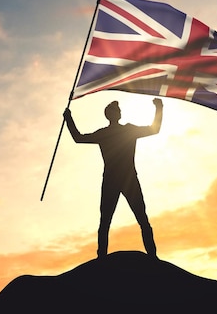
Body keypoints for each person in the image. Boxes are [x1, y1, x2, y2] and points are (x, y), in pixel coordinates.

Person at [63, 98, 163, 259]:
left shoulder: (114, 132)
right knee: (110, 220)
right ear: (112, 115)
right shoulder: (117, 132)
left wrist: (69, 119)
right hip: (120, 179)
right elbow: (79, 138)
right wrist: (69, 119)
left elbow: (154, 129)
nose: (118, 113)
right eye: (115, 111)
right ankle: (103, 256)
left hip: (122, 178)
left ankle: (151, 255)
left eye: (117, 111)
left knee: (137, 218)